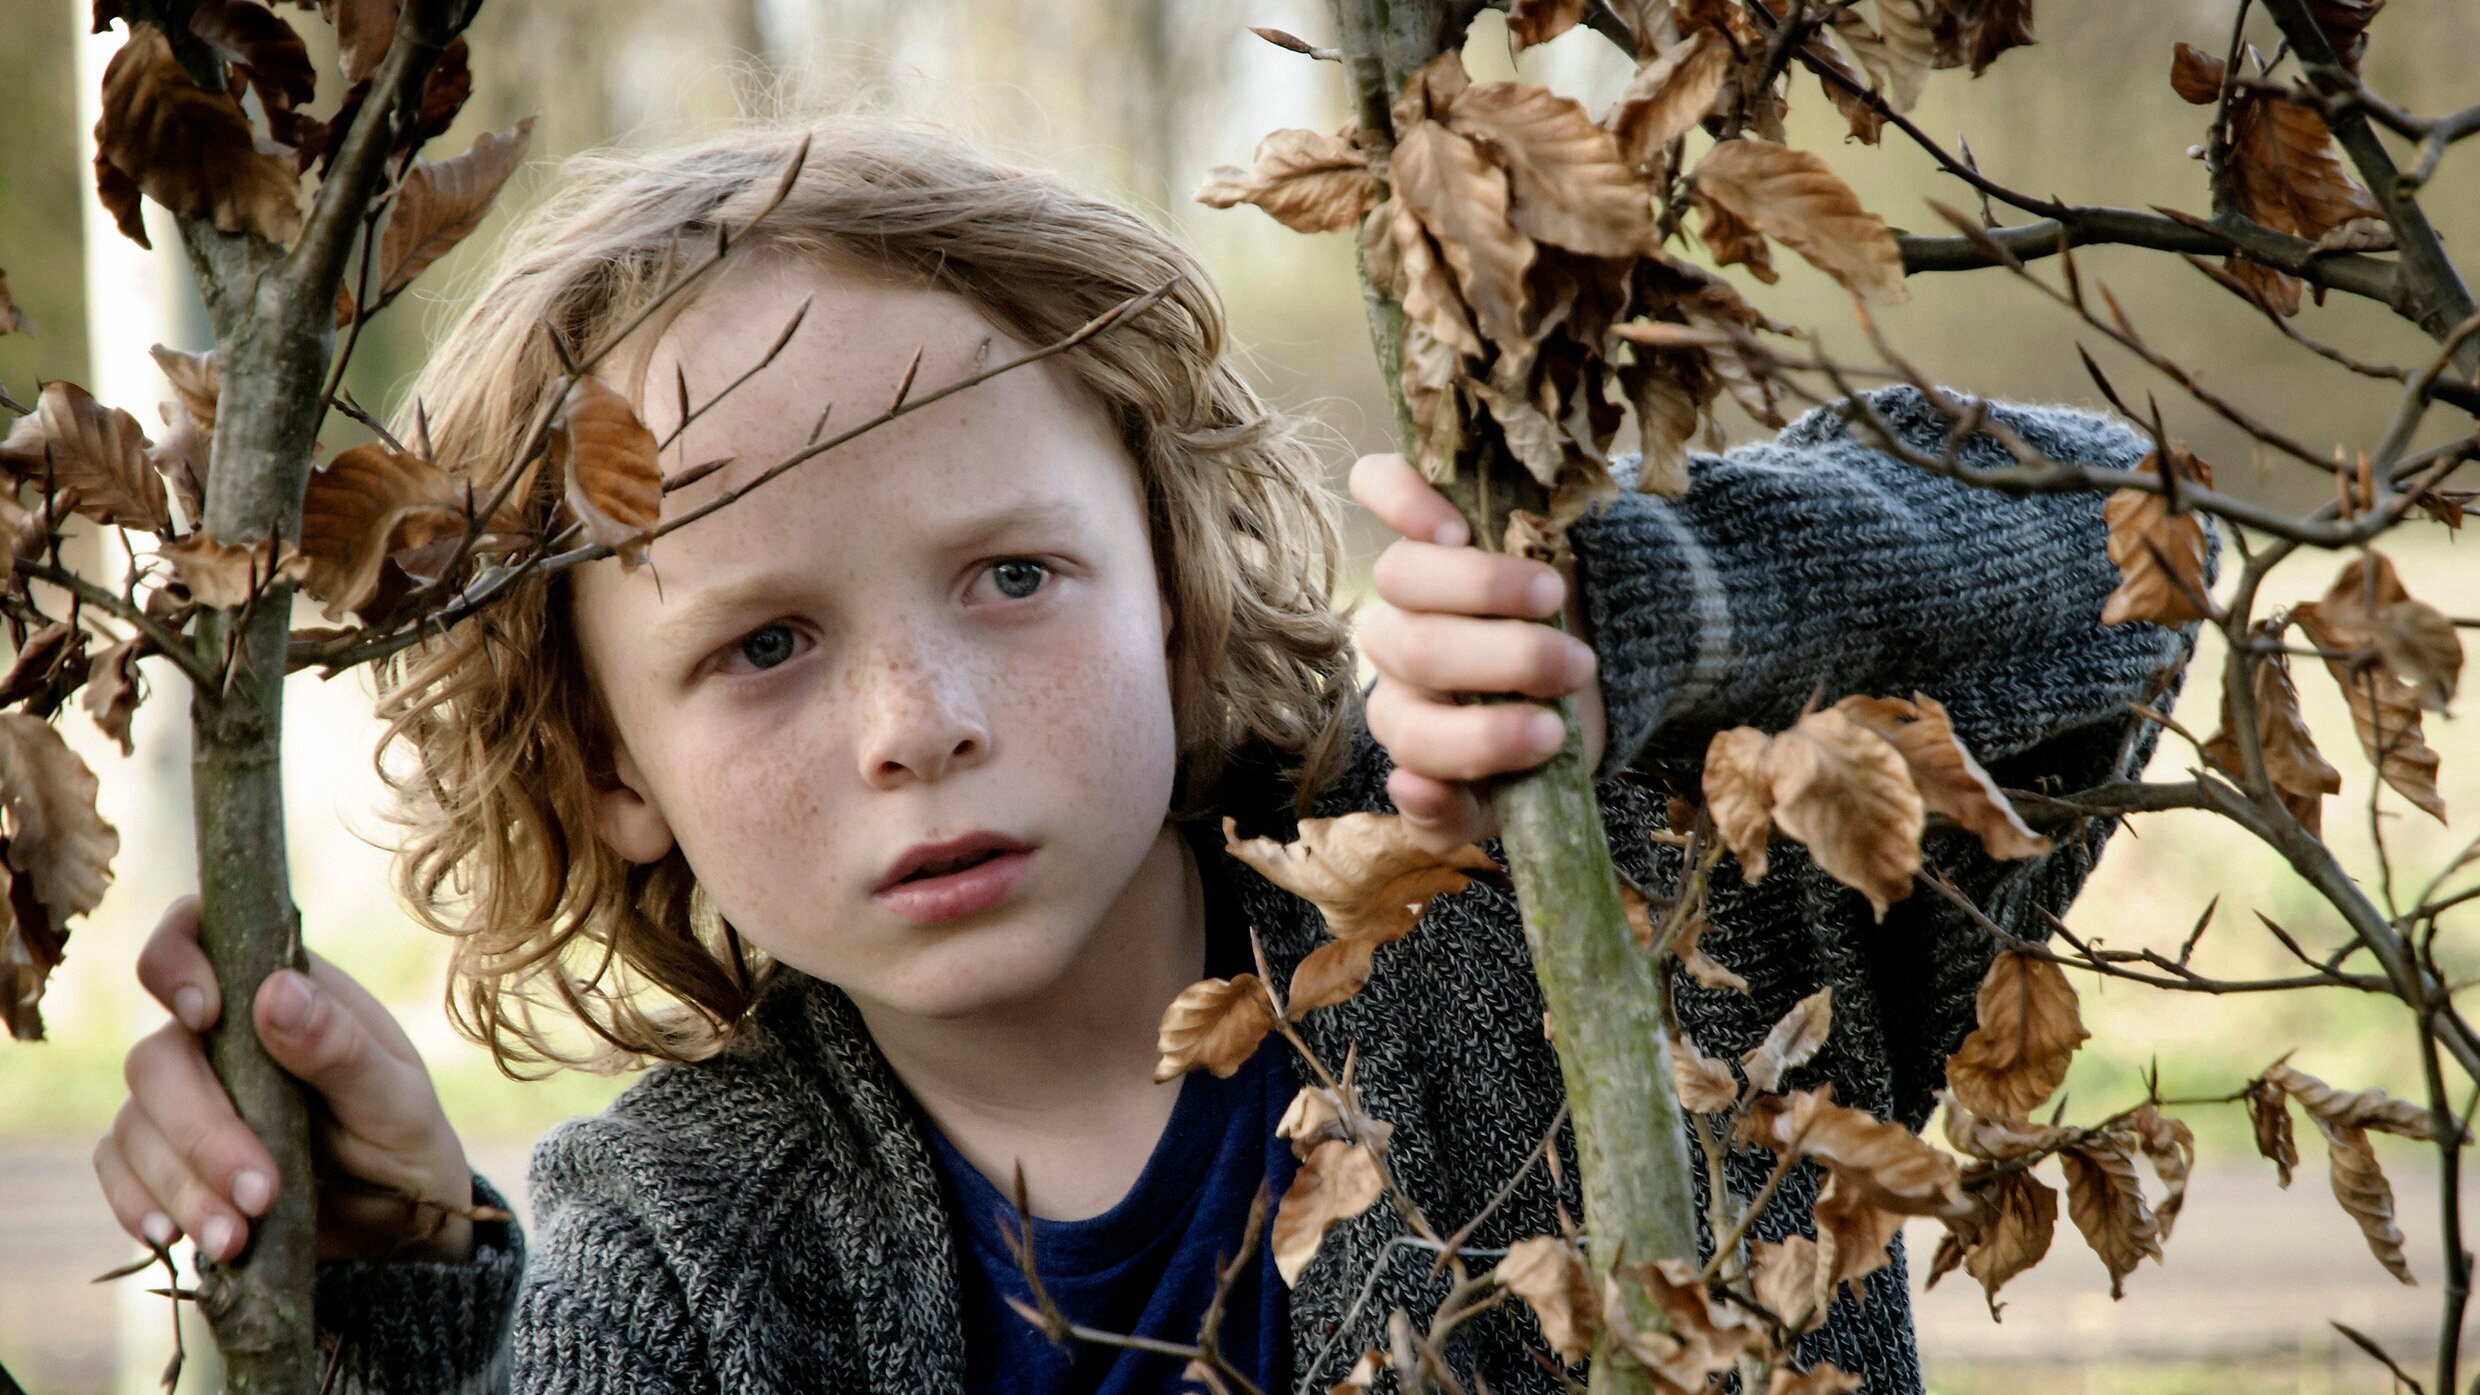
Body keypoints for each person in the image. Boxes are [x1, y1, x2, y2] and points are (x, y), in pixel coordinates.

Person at [91, 118, 2204, 1394]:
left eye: (1011, 575)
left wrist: (1636, 616)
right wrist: (404, 1298)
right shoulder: (682, 1240)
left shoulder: (1598, 921)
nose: (918, 723)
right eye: (759, 642)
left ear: (1177, 583)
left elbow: (2120, 522)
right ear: (611, 761)